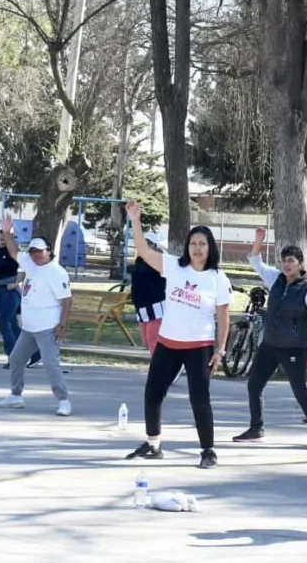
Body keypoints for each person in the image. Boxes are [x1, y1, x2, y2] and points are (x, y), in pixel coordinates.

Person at [123, 200, 230, 469]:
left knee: (199, 398)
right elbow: (144, 251)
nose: (197, 248)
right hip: (168, 343)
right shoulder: (173, 266)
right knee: (153, 393)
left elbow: (223, 316)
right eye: (193, 243)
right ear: (187, 246)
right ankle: (153, 444)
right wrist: (135, 220)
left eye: (202, 243)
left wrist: (220, 350)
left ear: (210, 248)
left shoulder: (218, 278)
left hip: (200, 346)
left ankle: (208, 451)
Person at [235, 228, 307, 451]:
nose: (286, 265)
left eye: (291, 261)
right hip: (270, 345)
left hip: (295, 349)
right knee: (254, 385)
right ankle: (256, 428)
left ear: (300, 264)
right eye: (283, 261)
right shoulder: (275, 279)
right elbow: (255, 261)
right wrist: (259, 240)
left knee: (300, 393)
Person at [0, 219, 74, 417]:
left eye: (40, 251)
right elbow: (13, 252)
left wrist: (62, 326)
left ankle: (63, 400)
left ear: (48, 251)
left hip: (48, 327)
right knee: (16, 359)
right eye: (33, 251)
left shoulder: (56, 272)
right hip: (29, 328)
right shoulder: (30, 264)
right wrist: (7, 233)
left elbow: (67, 301)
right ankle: (16, 396)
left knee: (50, 363)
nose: (36, 255)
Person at [0, 220, 22, 368]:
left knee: (5, 324)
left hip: (10, 291)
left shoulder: (14, 251)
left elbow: (25, 271)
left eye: (7, 233)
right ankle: (33, 352)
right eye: (0, 232)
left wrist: (14, 284)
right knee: (13, 324)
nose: (3, 236)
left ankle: (14, 357)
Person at [131, 231, 167, 354]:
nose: (144, 245)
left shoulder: (159, 261)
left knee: (153, 341)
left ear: (154, 245)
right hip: (141, 305)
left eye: (148, 243)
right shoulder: (139, 261)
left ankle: (158, 368)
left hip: (154, 305)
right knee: (146, 341)